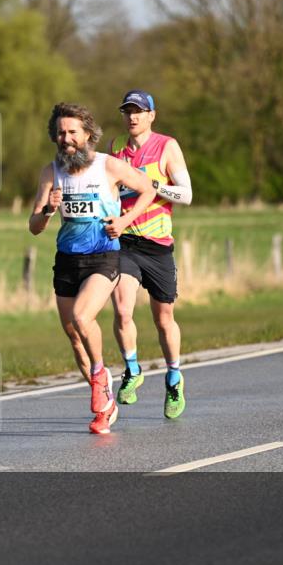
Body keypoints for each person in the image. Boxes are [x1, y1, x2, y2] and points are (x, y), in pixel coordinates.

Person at [30, 103, 157, 434]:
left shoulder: (108, 166)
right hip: (67, 259)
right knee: (74, 336)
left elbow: (148, 189)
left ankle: (101, 376)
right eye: (60, 133)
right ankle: (105, 406)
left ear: (87, 134)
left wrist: (125, 220)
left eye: (72, 132)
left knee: (82, 319)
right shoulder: (50, 172)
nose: (66, 138)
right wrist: (47, 210)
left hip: (103, 256)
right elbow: (34, 225)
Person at [107, 90, 193, 419]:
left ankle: (173, 376)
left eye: (139, 111)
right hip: (125, 242)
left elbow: (186, 194)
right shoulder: (116, 147)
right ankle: (132, 370)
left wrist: (154, 186)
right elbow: (110, 188)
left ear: (151, 115)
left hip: (158, 245)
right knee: (122, 311)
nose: (132, 117)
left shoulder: (166, 146)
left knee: (163, 319)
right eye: (128, 111)